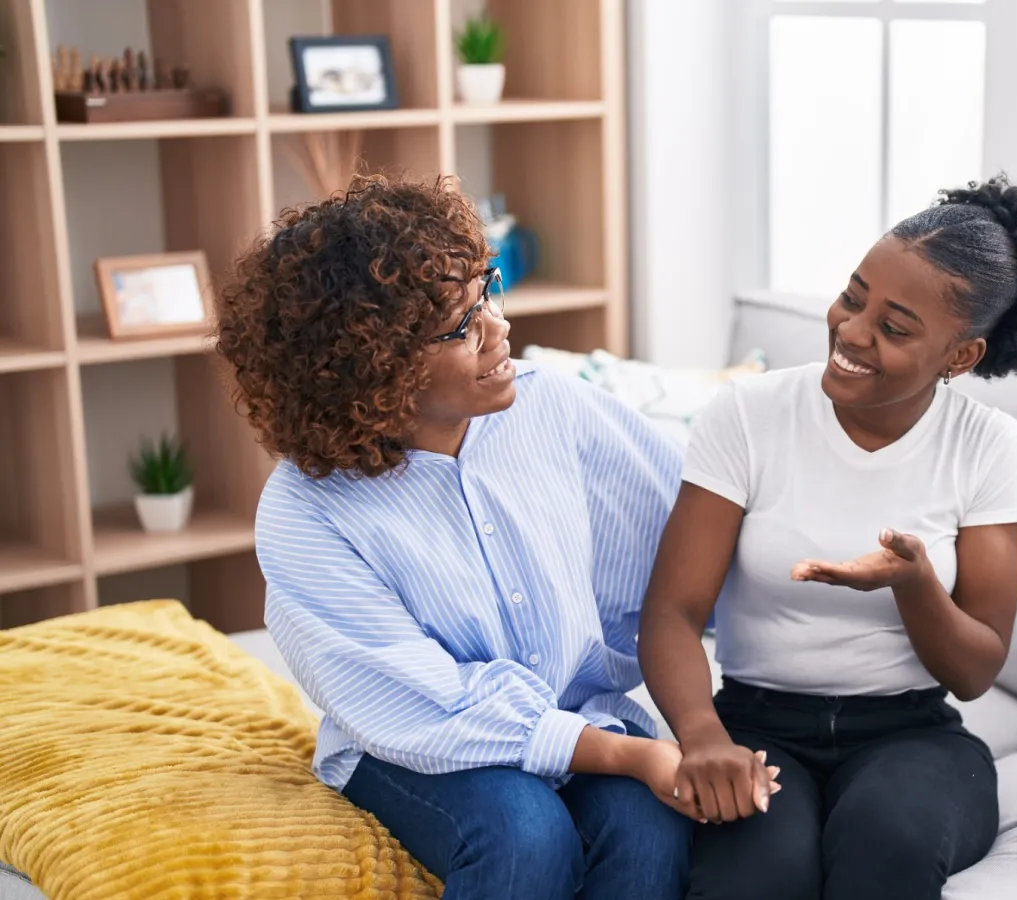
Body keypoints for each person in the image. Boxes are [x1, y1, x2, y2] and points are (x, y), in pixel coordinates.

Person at [215, 175, 732, 900]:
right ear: (373, 367)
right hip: (418, 745)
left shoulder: (559, 407)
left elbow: (694, 552)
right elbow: (426, 707)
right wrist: (630, 753)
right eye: (462, 326)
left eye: (485, 291)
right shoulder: (306, 514)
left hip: (578, 717)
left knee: (647, 823)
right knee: (525, 831)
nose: (500, 328)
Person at [638, 175, 1017, 900]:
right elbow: (672, 614)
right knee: (757, 877)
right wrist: (703, 736)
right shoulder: (750, 414)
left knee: (887, 847)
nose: (851, 330)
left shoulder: (991, 447)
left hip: (914, 737)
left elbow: (975, 670)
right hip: (758, 723)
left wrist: (915, 585)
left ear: (960, 357)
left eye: (895, 327)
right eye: (853, 297)